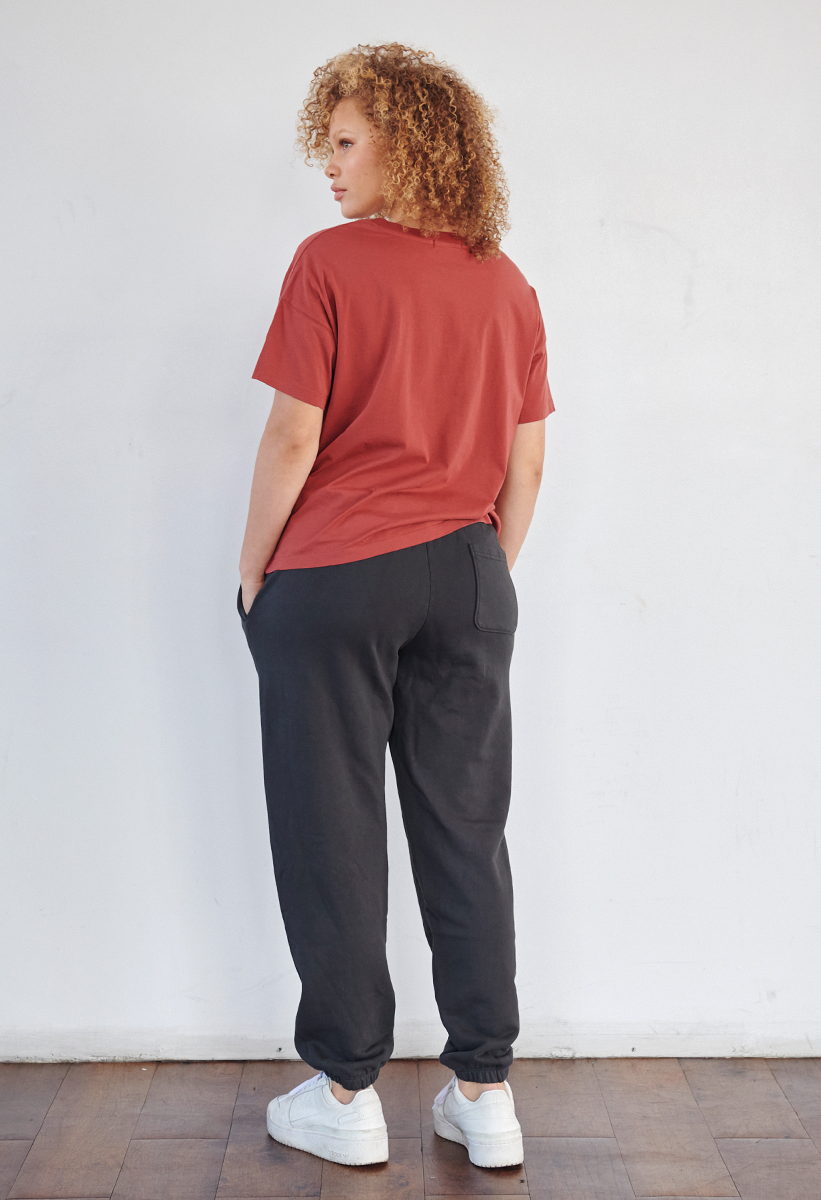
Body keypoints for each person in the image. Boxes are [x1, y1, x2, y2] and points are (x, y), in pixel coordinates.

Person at [236, 42, 554, 1169]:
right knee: (466, 827)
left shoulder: (329, 263)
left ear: (407, 145)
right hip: (467, 573)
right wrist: (481, 569)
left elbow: (294, 436)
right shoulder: (505, 283)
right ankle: (485, 1092)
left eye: (345, 142)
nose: (329, 165)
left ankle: (346, 1091)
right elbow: (526, 461)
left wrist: (253, 570)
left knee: (332, 829)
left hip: (334, 576)